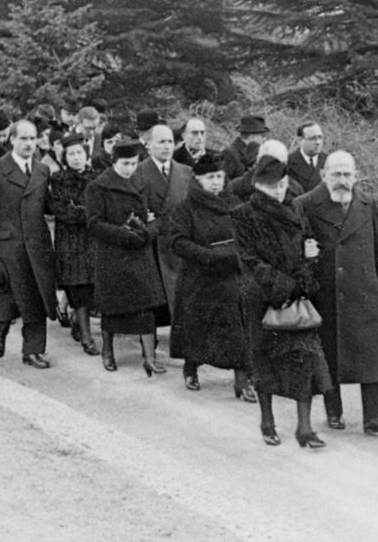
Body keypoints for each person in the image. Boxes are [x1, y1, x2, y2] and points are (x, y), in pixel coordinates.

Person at [233, 156, 334, 448]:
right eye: (271, 186)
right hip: (265, 298)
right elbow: (250, 259)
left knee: (307, 359)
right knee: (265, 363)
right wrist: (283, 285)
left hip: (298, 295)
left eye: (282, 184)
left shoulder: (295, 207)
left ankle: (305, 428)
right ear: (258, 186)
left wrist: (305, 275)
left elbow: (309, 243)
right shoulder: (243, 214)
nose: (278, 190)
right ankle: (267, 421)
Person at [296, 150, 378, 434]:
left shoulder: (367, 204)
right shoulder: (305, 204)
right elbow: (296, 249)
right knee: (331, 353)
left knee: (371, 354)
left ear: (356, 176)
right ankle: (334, 411)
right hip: (327, 293)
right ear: (323, 175)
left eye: (348, 175)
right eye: (336, 174)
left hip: (365, 292)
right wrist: (306, 256)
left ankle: (375, 416)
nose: (342, 181)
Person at [168, 151, 255, 399]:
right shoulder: (186, 208)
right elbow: (177, 241)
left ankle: (241, 379)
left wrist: (237, 254)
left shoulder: (235, 203)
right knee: (197, 327)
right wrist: (208, 256)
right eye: (210, 177)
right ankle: (191, 367)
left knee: (237, 328)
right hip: (199, 278)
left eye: (219, 176)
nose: (216, 182)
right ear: (197, 178)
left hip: (231, 277)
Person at [0, 119, 58, 369]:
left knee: (37, 297)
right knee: (8, 295)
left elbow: (50, 207)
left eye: (33, 138)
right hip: (7, 245)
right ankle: (0, 327)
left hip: (37, 244)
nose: (29, 144)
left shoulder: (42, 170)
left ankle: (33, 350)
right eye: (24, 138)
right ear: (12, 140)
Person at [85, 139, 168, 377]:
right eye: (125, 163)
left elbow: (157, 217)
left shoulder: (143, 183)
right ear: (113, 162)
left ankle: (150, 357)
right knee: (112, 307)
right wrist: (123, 234)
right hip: (113, 255)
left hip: (140, 252)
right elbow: (93, 223)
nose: (130, 168)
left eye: (133, 163)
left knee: (146, 305)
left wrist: (148, 232)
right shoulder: (98, 187)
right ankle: (107, 352)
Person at [130, 124, 192, 333]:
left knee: (179, 294)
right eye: (161, 142)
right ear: (148, 146)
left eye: (170, 142)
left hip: (178, 243)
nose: (167, 146)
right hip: (152, 244)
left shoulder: (185, 172)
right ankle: (150, 341)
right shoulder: (137, 172)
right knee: (153, 297)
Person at [48, 134, 100, 356]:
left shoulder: (96, 178)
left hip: (92, 240)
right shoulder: (59, 179)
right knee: (77, 286)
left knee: (91, 285)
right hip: (70, 241)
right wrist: (87, 212)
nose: (76, 158)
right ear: (65, 157)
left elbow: (100, 209)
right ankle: (87, 338)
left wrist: (80, 209)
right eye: (71, 154)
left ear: (86, 154)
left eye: (79, 153)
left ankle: (79, 323)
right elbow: (62, 211)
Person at [222, 114, 270, 180]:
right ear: (252, 137)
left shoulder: (256, 152)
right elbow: (225, 184)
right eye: (262, 136)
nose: (265, 139)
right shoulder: (229, 153)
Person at [287, 121, 326, 193]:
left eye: (320, 137)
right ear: (300, 140)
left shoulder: (329, 162)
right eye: (312, 138)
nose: (318, 142)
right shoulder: (288, 163)